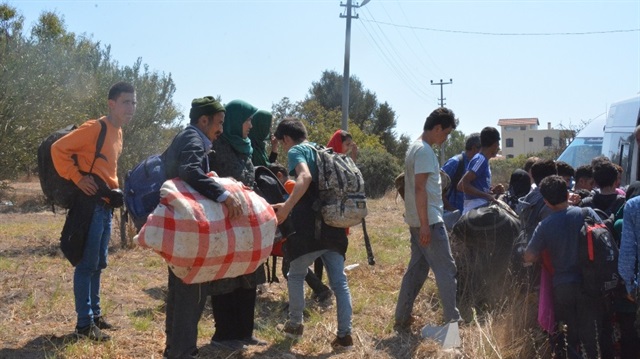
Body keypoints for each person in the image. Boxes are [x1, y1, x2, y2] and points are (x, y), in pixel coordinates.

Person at [51, 82, 136, 341]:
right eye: (126, 102)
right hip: (89, 206)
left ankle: (95, 315)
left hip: (104, 206)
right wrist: (77, 178)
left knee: (98, 264)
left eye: (134, 102)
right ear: (112, 104)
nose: (131, 108)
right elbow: (58, 149)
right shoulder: (95, 128)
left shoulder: (118, 132)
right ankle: (84, 325)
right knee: (86, 265)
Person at [162, 96, 243, 359]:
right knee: (191, 292)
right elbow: (190, 171)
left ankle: (175, 349)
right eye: (218, 123)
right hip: (186, 229)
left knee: (180, 287)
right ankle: (183, 351)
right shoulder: (194, 139)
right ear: (204, 120)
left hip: (181, 227)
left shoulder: (189, 138)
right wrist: (223, 195)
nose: (220, 129)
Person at [273, 118, 354, 350]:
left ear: (287, 139)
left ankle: (295, 325)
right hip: (335, 224)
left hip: (309, 226)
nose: (285, 148)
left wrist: (287, 207)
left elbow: (305, 178)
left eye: (283, 143)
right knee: (339, 282)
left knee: (295, 273)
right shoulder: (323, 149)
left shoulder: (297, 151)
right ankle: (345, 336)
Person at [394, 107, 462, 332]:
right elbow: (421, 188)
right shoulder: (423, 151)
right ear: (437, 128)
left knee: (417, 269)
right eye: (447, 133)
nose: (446, 138)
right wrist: (425, 224)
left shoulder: (415, 147)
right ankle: (452, 322)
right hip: (429, 221)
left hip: (419, 219)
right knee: (446, 269)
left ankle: (402, 317)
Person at [207, 99, 267, 350]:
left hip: (247, 224)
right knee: (226, 278)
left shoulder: (246, 148)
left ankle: (245, 332)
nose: (251, 125)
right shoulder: (216, 147)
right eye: (247, 120)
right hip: (224, 222)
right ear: (235, 121)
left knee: (248, 277)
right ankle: (223, 335)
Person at [524, 175, 605, 359]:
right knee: (591, 335)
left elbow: (529, 255)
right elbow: (603, 233)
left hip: (562, 287)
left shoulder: (544, 226)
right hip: (589, 283)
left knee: (568, 337)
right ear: (567, 193)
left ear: (546, 202)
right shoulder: (585, 213)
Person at [458, 126, 503, 214]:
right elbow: (463, 184)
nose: (498, 147)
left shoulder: (484, 161)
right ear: (494, 144)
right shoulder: (481, 160)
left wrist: (491, 192)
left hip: (479, 208)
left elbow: (476, 186)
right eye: (498, 143)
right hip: (475, 209)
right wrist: (486, 196)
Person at [441, 132, 481, 213]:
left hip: (471, 217)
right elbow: (436, 189)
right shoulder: (455, 163)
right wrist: (450, 208)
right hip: (453, 218)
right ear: (474, 148)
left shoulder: (478, 165)